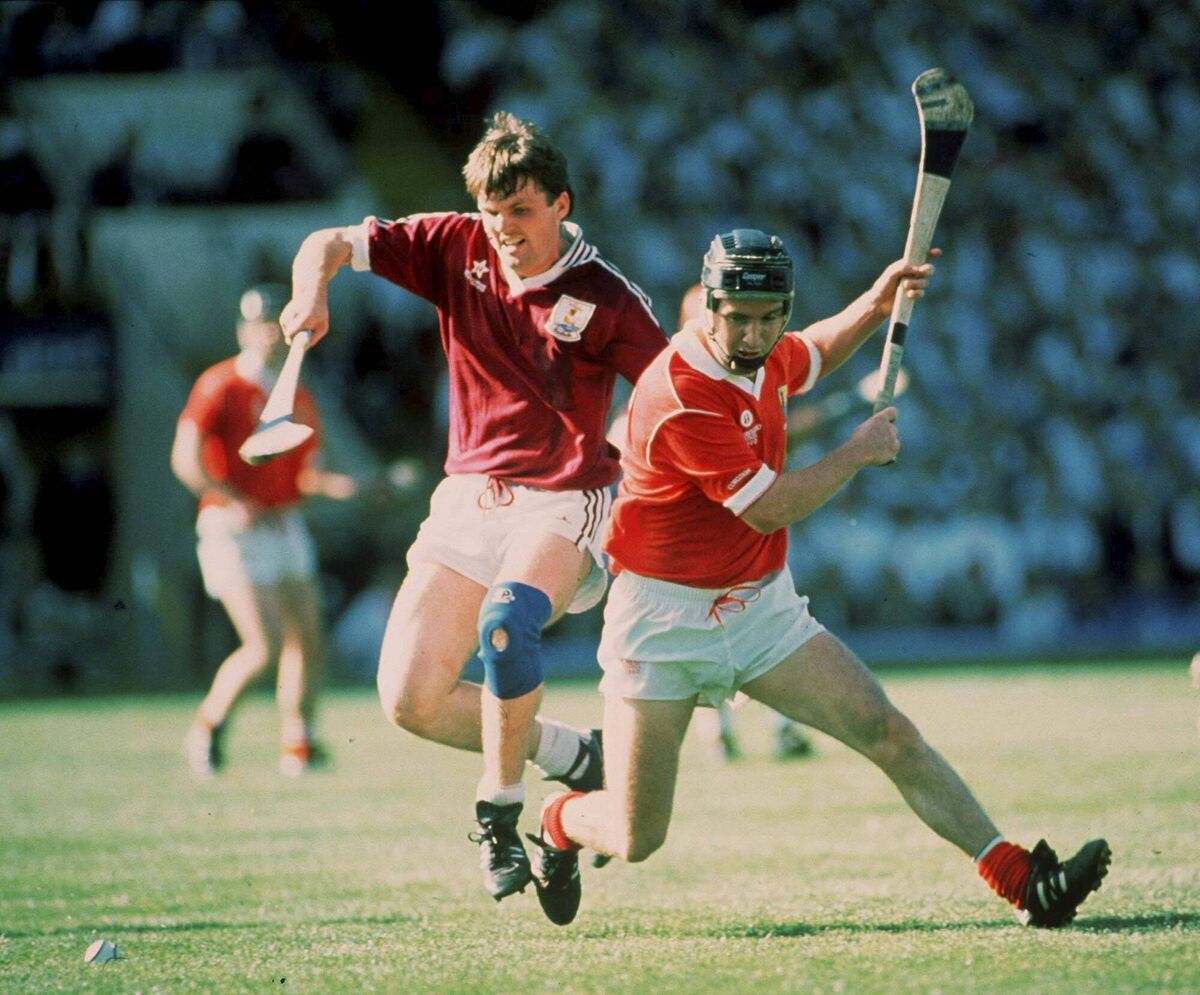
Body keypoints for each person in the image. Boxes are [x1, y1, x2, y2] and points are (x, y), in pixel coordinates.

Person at [528, 229, 1111, 928]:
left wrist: (876, 298)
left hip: (758, 606)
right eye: (737, 315)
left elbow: (815, 352)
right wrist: (856, 453)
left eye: (768, 315)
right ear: (707, 306)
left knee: (887, 730)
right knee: (635, 835)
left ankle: (1021, 879)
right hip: (662, 620)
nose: (753, 331)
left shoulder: (767, 350)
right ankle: (560, 819)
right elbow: (770, 507)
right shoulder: (680, 390)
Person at [279, 112, 667, 909]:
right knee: (409, 699)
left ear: (561, 204)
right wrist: (308, 295)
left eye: (521, 214)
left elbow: (668, 398)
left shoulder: (606, 298)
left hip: (566, 501)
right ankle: (572, 756)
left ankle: (499, 812)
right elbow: (325, 243)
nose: (505, 232)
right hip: (467, 499)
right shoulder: (454, 244)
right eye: (493, 216)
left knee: (506, 623)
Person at [173, 283, 356, 778]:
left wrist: (350, 488)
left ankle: (299, 741)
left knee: (308, 639)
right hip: (233, 527)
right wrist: (235, 501)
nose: (271, 332)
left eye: (279, 322)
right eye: (261, 322)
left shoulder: (296, 393)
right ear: (242, 330)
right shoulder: (222, 384)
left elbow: (304, 474)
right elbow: (185, 458)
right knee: (263, 645)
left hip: (283, 523)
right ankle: (207, 728)